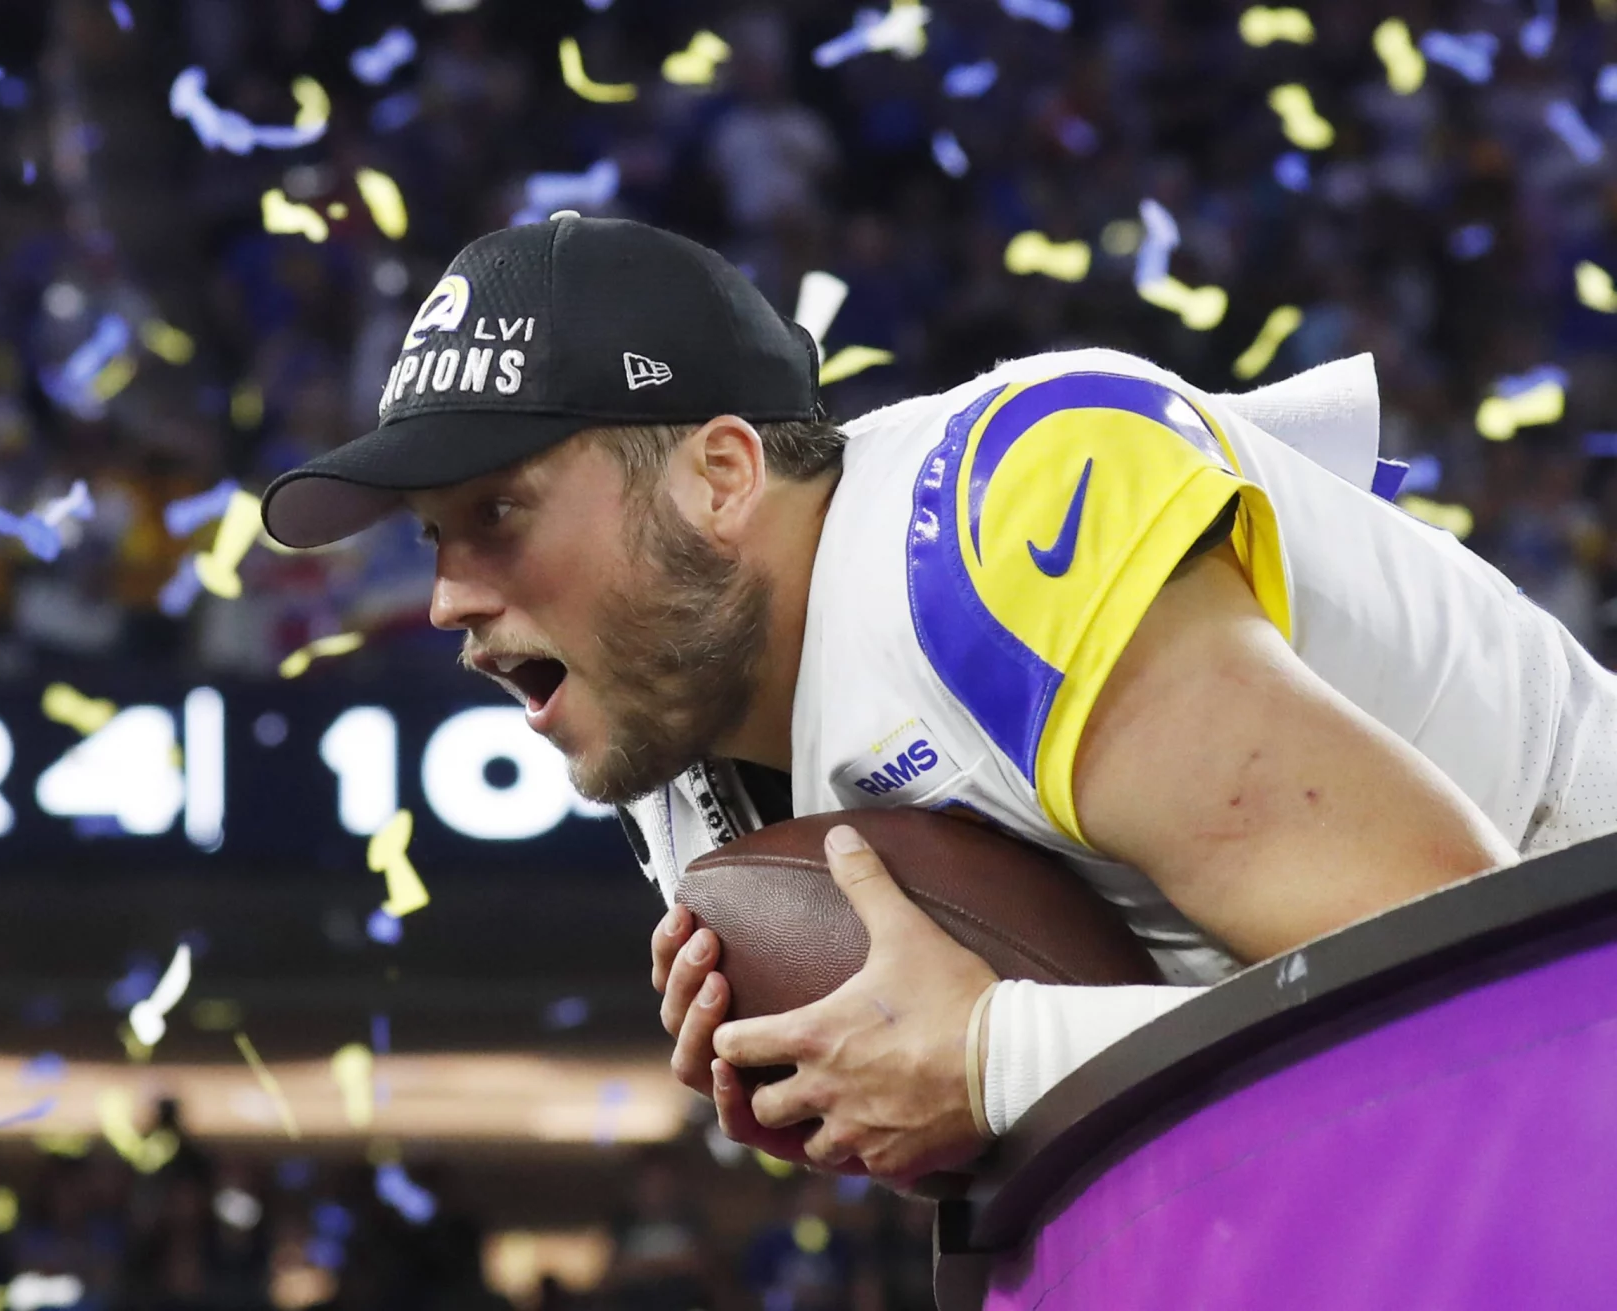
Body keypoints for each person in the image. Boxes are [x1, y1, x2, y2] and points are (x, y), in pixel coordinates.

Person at [261, 214, 1617, 1186]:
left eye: (498, 511)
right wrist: (873, 1088)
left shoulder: (1002, 527)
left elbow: (1487, 1020)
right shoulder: (672, 727)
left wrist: (992, 1052)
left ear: (722, 477)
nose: (446, 599)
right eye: (434, 535)